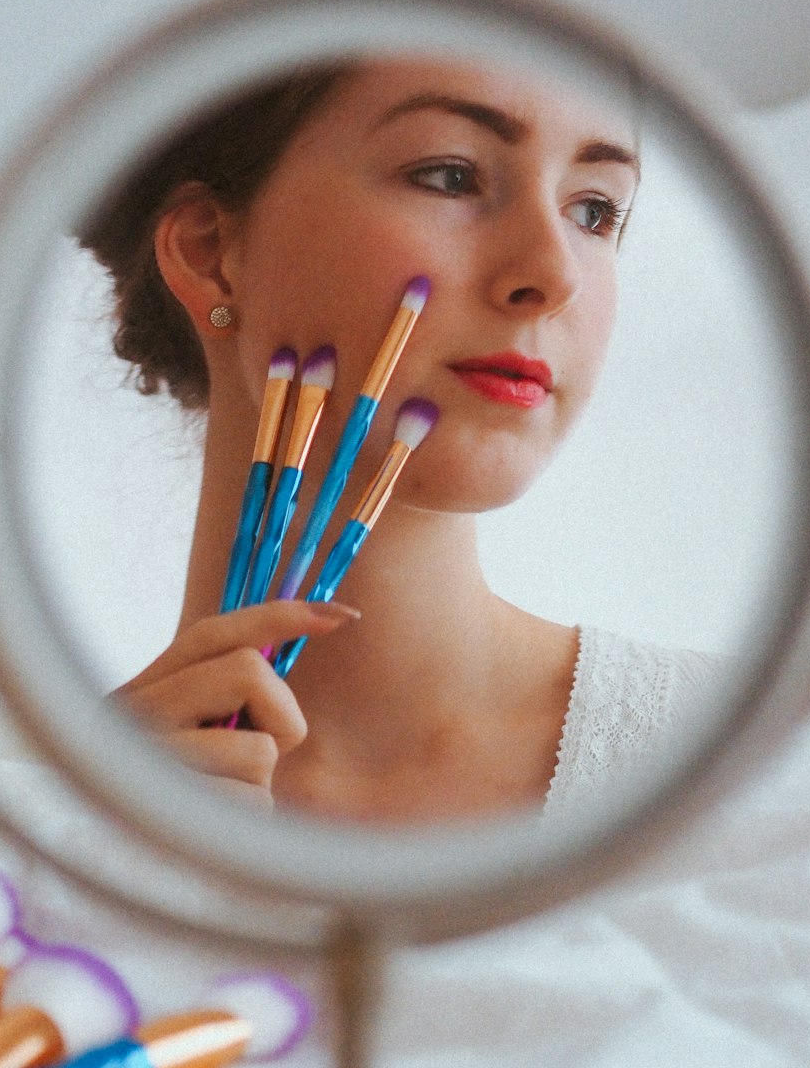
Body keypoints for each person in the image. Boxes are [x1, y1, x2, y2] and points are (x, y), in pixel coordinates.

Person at [79, 55, 714, 824]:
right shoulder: (30, 830)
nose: (553, 272)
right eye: (451, 176)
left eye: (596, 212)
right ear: (210, 253)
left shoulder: (751, 758)